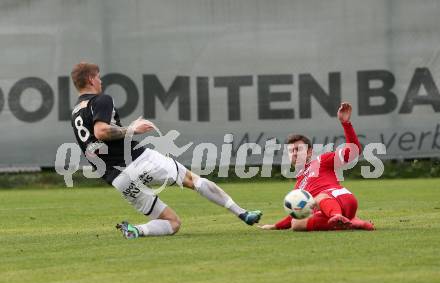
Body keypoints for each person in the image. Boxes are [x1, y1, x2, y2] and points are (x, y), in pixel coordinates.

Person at [70, 62, 262, 239]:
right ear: (91, 79)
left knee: (173, 223)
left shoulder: (76, 113)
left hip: (118, 178)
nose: (101, 81)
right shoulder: (101, 100)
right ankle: (242, 213)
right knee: (192, 180)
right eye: (99, 76)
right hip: (138, 160)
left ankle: (137, 230)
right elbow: (101, 131)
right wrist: (132, 129)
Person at [259, 102, 374, 232]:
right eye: (291, 151)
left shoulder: (321, 160)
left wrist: (346, 124)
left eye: (298, 149)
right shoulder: (299, 185)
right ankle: (354, 222)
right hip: (332, 209)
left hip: (341, 197)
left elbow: (353, 152)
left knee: (319, 198)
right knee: (297, 223)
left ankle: (338, 217)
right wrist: (275, 226)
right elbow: (296, 213)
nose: (295, 153)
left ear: (309, 152)